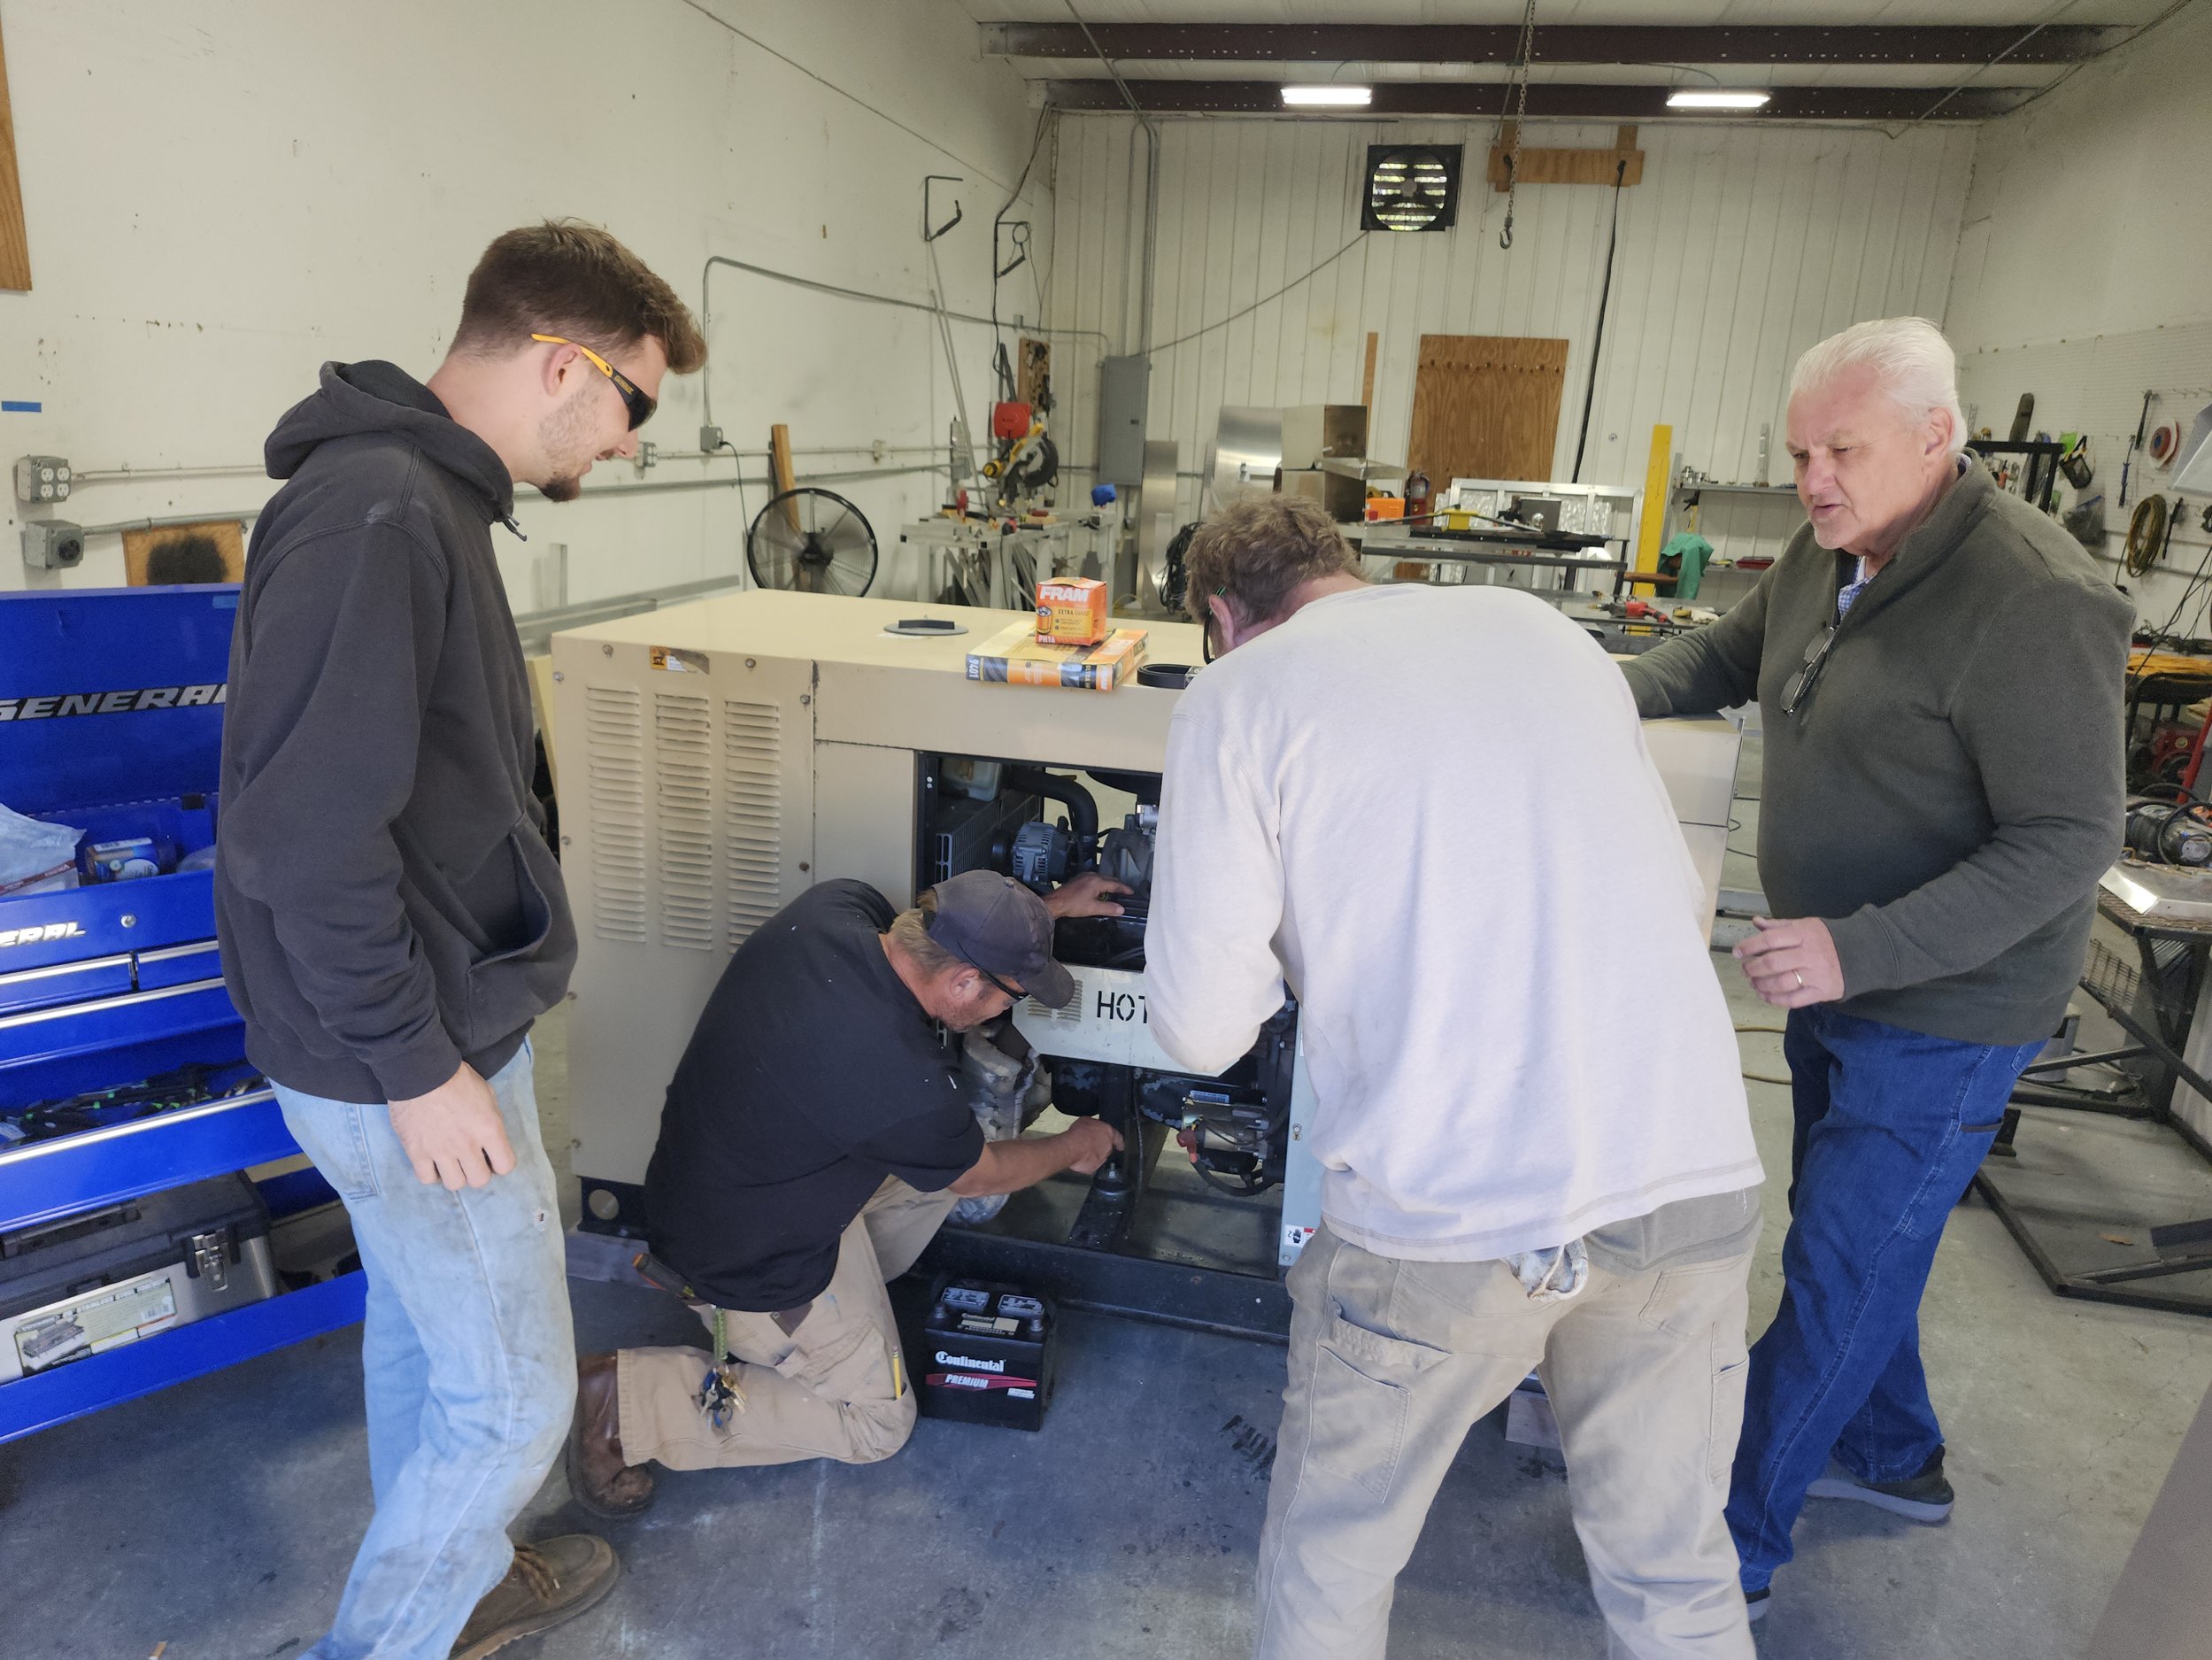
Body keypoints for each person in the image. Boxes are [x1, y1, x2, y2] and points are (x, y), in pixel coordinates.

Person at [1145, 496, 1767, 1660]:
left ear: (1223, 616)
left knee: (1334, 1557)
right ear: (1345, 567)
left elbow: (1199, 1028)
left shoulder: (1241, 692)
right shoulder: (1544, 633)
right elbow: (1677, 897)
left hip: (1451, 1208)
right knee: (1674, 1570)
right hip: (1686, 1169)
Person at [215, 220, 705, 1660]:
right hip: (403, 1054)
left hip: (418, 1031)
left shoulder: (425, 499)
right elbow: (303, 837)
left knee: (428, 1338)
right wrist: (417, 1065)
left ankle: (460, 1588)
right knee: (511, 1402)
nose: (629, 441)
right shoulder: (380, 513)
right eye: (633, 402)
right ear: (563, 365)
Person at [1621, 316, 2131, 1621]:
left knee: (1842, 1268)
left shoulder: (2037, 599)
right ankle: (1896, 1455)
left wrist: (1860, 947)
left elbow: (2068, 839)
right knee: (1855, 1240)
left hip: (1942, 1009)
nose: (1812, 479)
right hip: (1831, 982)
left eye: (1840, 450)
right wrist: (1584, 687)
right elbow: (1723, 656)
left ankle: (1719, 1557)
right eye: (1800, 452)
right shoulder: (1834, 543)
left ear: (1936, 436)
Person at [567, 870, 1126, 1513]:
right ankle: (624, 1402)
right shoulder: (899, 1077)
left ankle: (831, 1334)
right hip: (747, 1268)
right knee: (878, 1425)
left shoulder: (833, 909)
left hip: (716, 1188)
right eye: (1012, 995)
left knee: (936, 1175)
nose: (1007, 1009)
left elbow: (956, 943)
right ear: (964, 982)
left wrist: (1039, 919)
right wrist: (1074, 1145)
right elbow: (981, 1174)